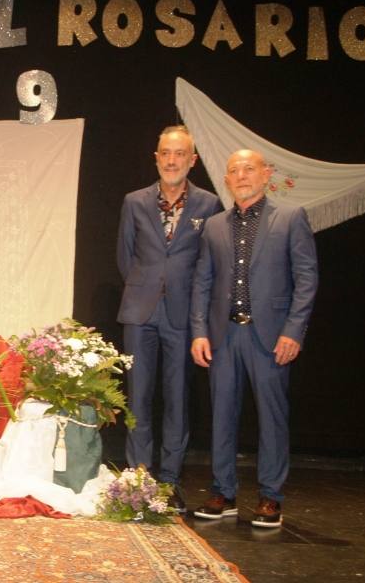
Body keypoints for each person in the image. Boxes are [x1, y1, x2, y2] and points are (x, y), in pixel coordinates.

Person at [190, 148, 318, 528]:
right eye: (234, 170)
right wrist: (199, 332)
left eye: (249, 169)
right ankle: (223, 492)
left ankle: (270, 497)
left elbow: (306, 279)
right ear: (226, 180)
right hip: (224, 335)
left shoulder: (290, 218)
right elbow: (202, 282)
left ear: (266, 175)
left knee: (272, 418)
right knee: (222, 415)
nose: (241, 175)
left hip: (270, 336)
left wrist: (293, 331)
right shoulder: (214, 226)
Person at [116, 125, 223, 512]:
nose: (172, 160)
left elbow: (208, 265)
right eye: (166, 153)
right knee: (138, 398)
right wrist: (147, 287)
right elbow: (126, 257)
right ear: (156, 157)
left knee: (177, 399)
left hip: (183, 315)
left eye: (180, 153)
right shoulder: (134, 201)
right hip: (140, 312)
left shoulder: (208, 205)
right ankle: (139, 480)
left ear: (192, 160)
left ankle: (171, 481)